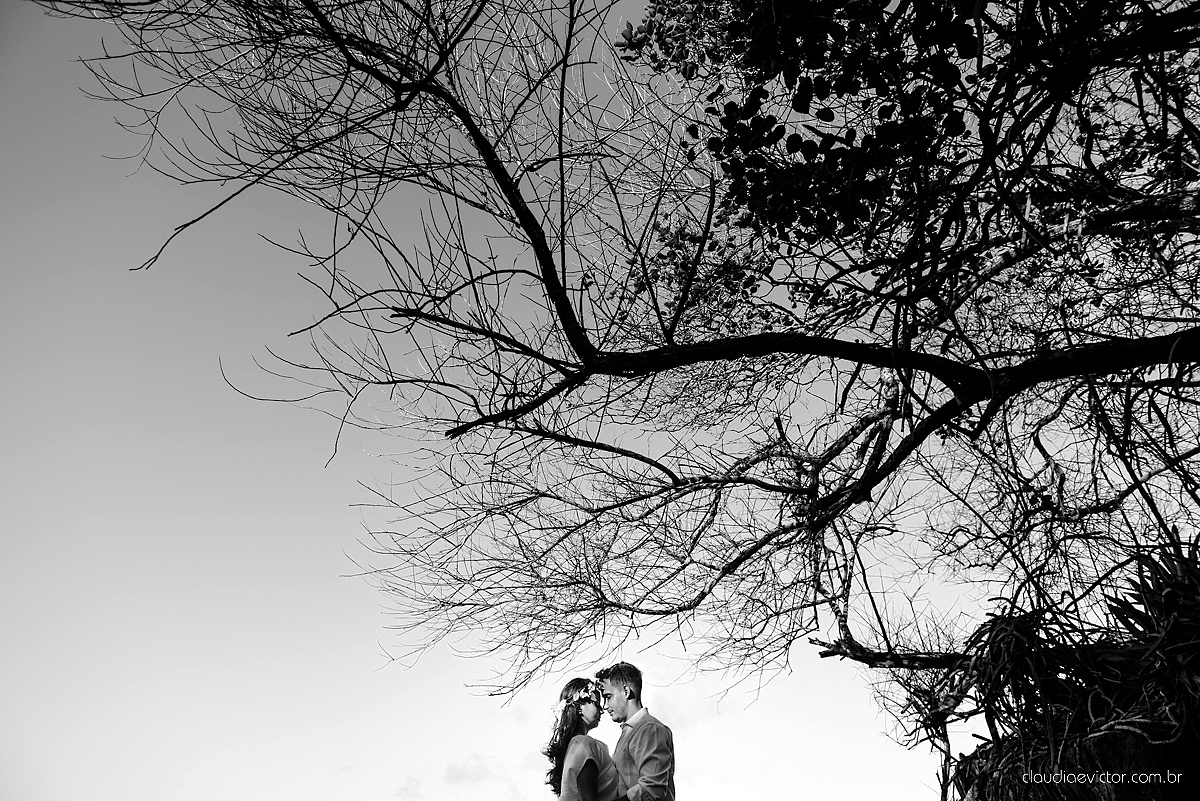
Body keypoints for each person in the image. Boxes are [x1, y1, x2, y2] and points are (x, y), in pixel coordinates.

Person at [595, 662, 675, 801]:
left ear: (626, 691)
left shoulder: (649, 729)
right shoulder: (631, 731)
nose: (605, 706)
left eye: (608, 697)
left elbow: (651, 789)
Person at [543, 678, 620, 801]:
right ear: (579, 707)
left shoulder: (576, 746)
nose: (601, 710)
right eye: (596, 703)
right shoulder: (583, 745)